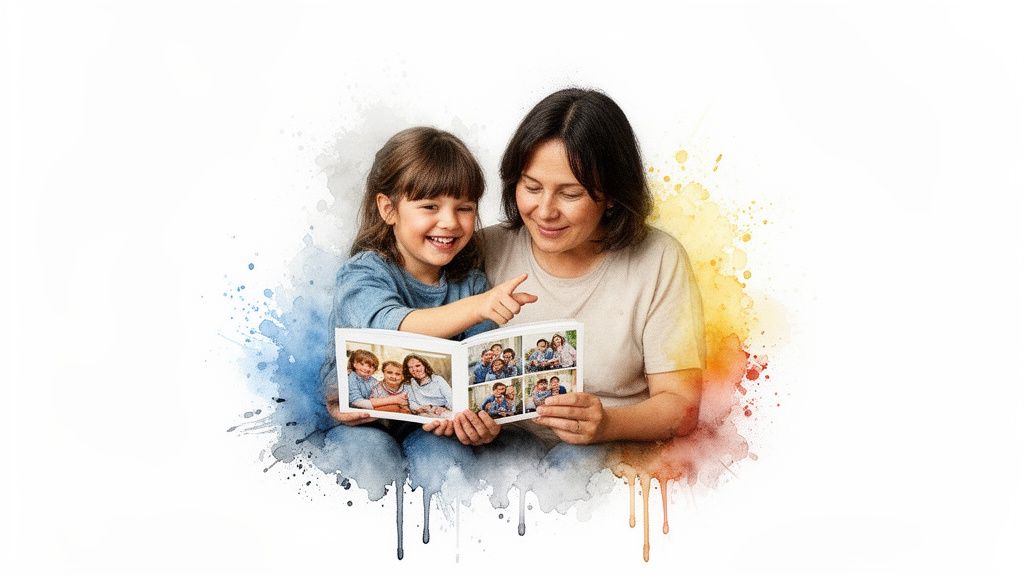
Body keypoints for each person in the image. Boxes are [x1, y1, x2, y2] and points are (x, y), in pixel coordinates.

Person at [320, 126, 542, 498]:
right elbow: (392, 331)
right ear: (388, 209)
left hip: (434, 427)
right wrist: (478, 306)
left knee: (446, 461)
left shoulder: (469, 283)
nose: (450, 222)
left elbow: (478, 378)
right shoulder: (363, 273)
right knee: (369, 459)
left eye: (465, 208)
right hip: (363, 424)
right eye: (429, 207)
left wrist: (485, 422)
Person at [482, 88, 705, 447]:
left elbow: (681, 406)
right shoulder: (483, 247)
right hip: (498, 455)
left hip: (603, 455)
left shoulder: (659, 259)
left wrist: (607, 425)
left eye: (570, 194)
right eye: (532, 187)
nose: (545, 211)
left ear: (613, 196)